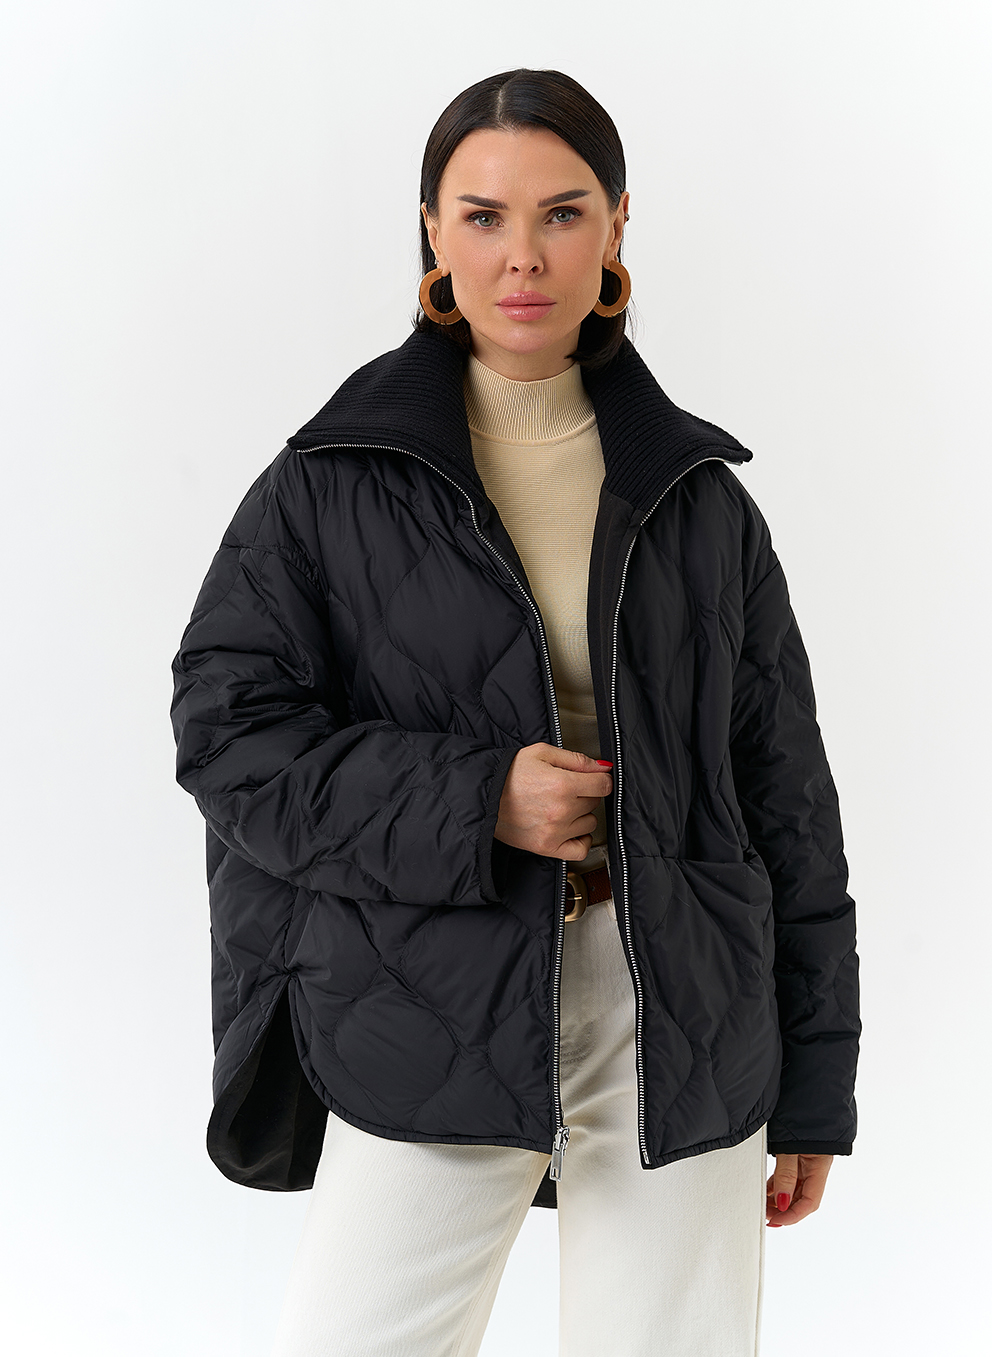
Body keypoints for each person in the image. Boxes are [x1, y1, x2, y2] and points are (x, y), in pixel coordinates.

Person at [170, 67, 860, 1357]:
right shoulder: (330, 483)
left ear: (616, 227)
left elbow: (787, 802)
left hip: (683, 1013)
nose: (523, 257)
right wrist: (481, 800)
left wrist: (818, 1084)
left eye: (563, 212)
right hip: (423, 988)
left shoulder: (700, 497)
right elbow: (230, 739)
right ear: (434, 231)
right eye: (483, 216)